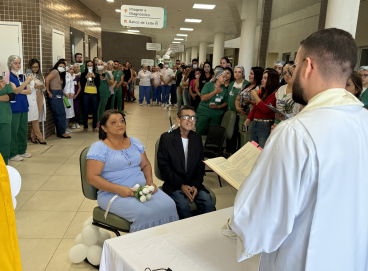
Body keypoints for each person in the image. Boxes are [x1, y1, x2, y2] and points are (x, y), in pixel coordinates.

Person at [230, 28, 368, 271]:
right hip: (353, 256)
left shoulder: (296, 132)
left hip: (302, 259)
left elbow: (262, 220)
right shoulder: (363, 119)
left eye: (295, 65)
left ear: (308, 66)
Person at [86, 109, 179, 232]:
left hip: (142, 189)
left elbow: (145, 164)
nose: (120, 124)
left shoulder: (134, 142)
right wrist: (119, 189)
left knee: (170, 205)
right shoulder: (99, 147)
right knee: (143, 213)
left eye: (122, 121)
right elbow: (92, 177)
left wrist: (150, 182)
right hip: (113, 194)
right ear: (104, 128)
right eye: (113, 123)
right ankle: (142, 248)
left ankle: (165, 244)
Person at [158, 105, 216, 219]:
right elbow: (164, 167)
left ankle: (201, 230)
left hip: (194, 183)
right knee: (183, 206)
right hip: (174, 184)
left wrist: (195, 185)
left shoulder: (197, 138)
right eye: (186, 117)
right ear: (178, 119)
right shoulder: (166, 138)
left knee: (208, 203)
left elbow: (200, 165)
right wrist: (181, 185)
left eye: (193, 118)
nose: (190, 120)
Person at [243, 69, 278, 148]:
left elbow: (265, 109)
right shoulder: (262, 93)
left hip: (265, 125)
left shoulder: (274, 94)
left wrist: (255, 96)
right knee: (253, 149)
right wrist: (247, 120)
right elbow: (255, 108)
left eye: (265, 78)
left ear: (271, 80)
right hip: (255, 123)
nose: (262, 80)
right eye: (262, 78)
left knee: (262, 150)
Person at [8, 55, 32, 161]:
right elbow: (15, 91)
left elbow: (29, 91)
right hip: (14, 107)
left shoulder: (21, 76)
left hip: (23, 105)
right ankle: (13, 153)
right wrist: (25, 84)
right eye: (15, 63)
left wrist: (18, 89)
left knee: (23, 129)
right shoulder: (7, 75)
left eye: (19, 63)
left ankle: (22, 150)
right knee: (14, 130)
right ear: (10, 64)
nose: (18, 65)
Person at [236, 67, 264, 147]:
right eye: (250, 73)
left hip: (251, 118)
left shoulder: (260, 88)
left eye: (252, 74)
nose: (249, 76)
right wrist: (237, 108)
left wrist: (250, 102)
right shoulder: (245, 86)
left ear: (257, 75)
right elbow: (237, 99)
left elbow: (260, 103)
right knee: (242, 135)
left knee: (248, 138)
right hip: (242, 116)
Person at [195, 69, 228, 135]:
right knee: (200, 131)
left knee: (213, 134)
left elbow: (226, 102)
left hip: (216, 114)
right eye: (223, 77)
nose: (225, 79)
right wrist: (215, 92)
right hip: (204, 113)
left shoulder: (224, 89)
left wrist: (218, 107)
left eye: (226, 77)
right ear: (217, 77)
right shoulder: (208, 85)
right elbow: (203, 98)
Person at [226, 66, 249, 154]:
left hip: (242, 114)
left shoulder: (246, 84)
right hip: (232, 113)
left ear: (242, 73)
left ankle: (241, 152)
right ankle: (231, 151)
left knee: (242, 134)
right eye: (235, 72)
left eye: (239, 72)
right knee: (232, 133)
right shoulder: (231, 84)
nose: (237, 73)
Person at [46, 59, 70, 139]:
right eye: (60, 66)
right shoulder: (55, 71)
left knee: (60, 113)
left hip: (59, 93)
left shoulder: (61, 74)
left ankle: (60, 132)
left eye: (63, 67)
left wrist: (64, 93)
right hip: (55, 94)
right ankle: (62, 132)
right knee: (61, 113)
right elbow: (47, 79)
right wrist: (48, 91)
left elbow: (58, 86)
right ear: (57, 66)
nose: (62, 68)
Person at [274, 61, 301, 125]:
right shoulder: (281, 89)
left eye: (290, 71)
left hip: (293, 125)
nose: (287, 74)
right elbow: (277, 107)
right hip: (278, 124)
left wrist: (286, 116)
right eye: (285, 73)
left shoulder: (302, 90)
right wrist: (277, 115)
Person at [27, 59, 46, 144]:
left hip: (40, 96)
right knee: (35, 118)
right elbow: (27, 87)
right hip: (32, 97)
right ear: (30, 67)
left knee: (37, 117)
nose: (35, 69)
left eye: (37, 67)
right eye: (33, 67)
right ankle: (40, 137)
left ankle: (33, 136)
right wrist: (35, 86)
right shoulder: (28, 76)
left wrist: (43, 87)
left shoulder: (40, 76)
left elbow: (44, 87)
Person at [80, 60, 100, 133]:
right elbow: (81, 84)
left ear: (93, 66)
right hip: (86, 94)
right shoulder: (83, 74)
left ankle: (94, 127)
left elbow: (98, 84)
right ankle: (85, 126)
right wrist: (86, 77)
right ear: (86, 66)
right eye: (88, 65)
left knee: (95, 111)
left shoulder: (97, 74)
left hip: (94, 94)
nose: (90, 67)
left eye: (91, 65)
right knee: (85, 111)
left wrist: (94, 77)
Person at [0, 79, 16, 164]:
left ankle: (4, 167)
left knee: (5, 143)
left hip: (4, 116)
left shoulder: (4, 80)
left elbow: (11, 96)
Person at [96, 61, 113, 125]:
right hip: (97, 93)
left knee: (103, 108)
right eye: (98, 64)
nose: (100, 65)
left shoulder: (107, 73)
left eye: (101, 64)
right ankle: (97, 120)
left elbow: (110, 84)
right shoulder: (95, 73)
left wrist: (107, 79)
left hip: (105, 92)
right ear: (96, 66)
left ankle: (101, 120)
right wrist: (99, 79)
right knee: (97, 108)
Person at [64, 65, 75, 134]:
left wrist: (72, 93)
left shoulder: (69, 75)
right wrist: (66, 94)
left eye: (72, 69)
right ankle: (64, 128)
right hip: (65, 96)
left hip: (70, 96)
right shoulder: (62, 75)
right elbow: (61, 86)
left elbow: (72, 85)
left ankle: (67, 127)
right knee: (65, 112)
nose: (71, 70)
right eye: (70, 69)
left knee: (69, 112)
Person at [71, 64, 82, 129]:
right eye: (74, 68)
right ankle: (73, 122)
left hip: (76, 95)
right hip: (70, 96)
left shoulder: (77, 77)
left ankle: (77, 122)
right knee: (71, 110)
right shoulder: (69, 77)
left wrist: (76, 95)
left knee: (76, 109)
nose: (75, 69)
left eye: (77, 67)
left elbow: (79, 87)